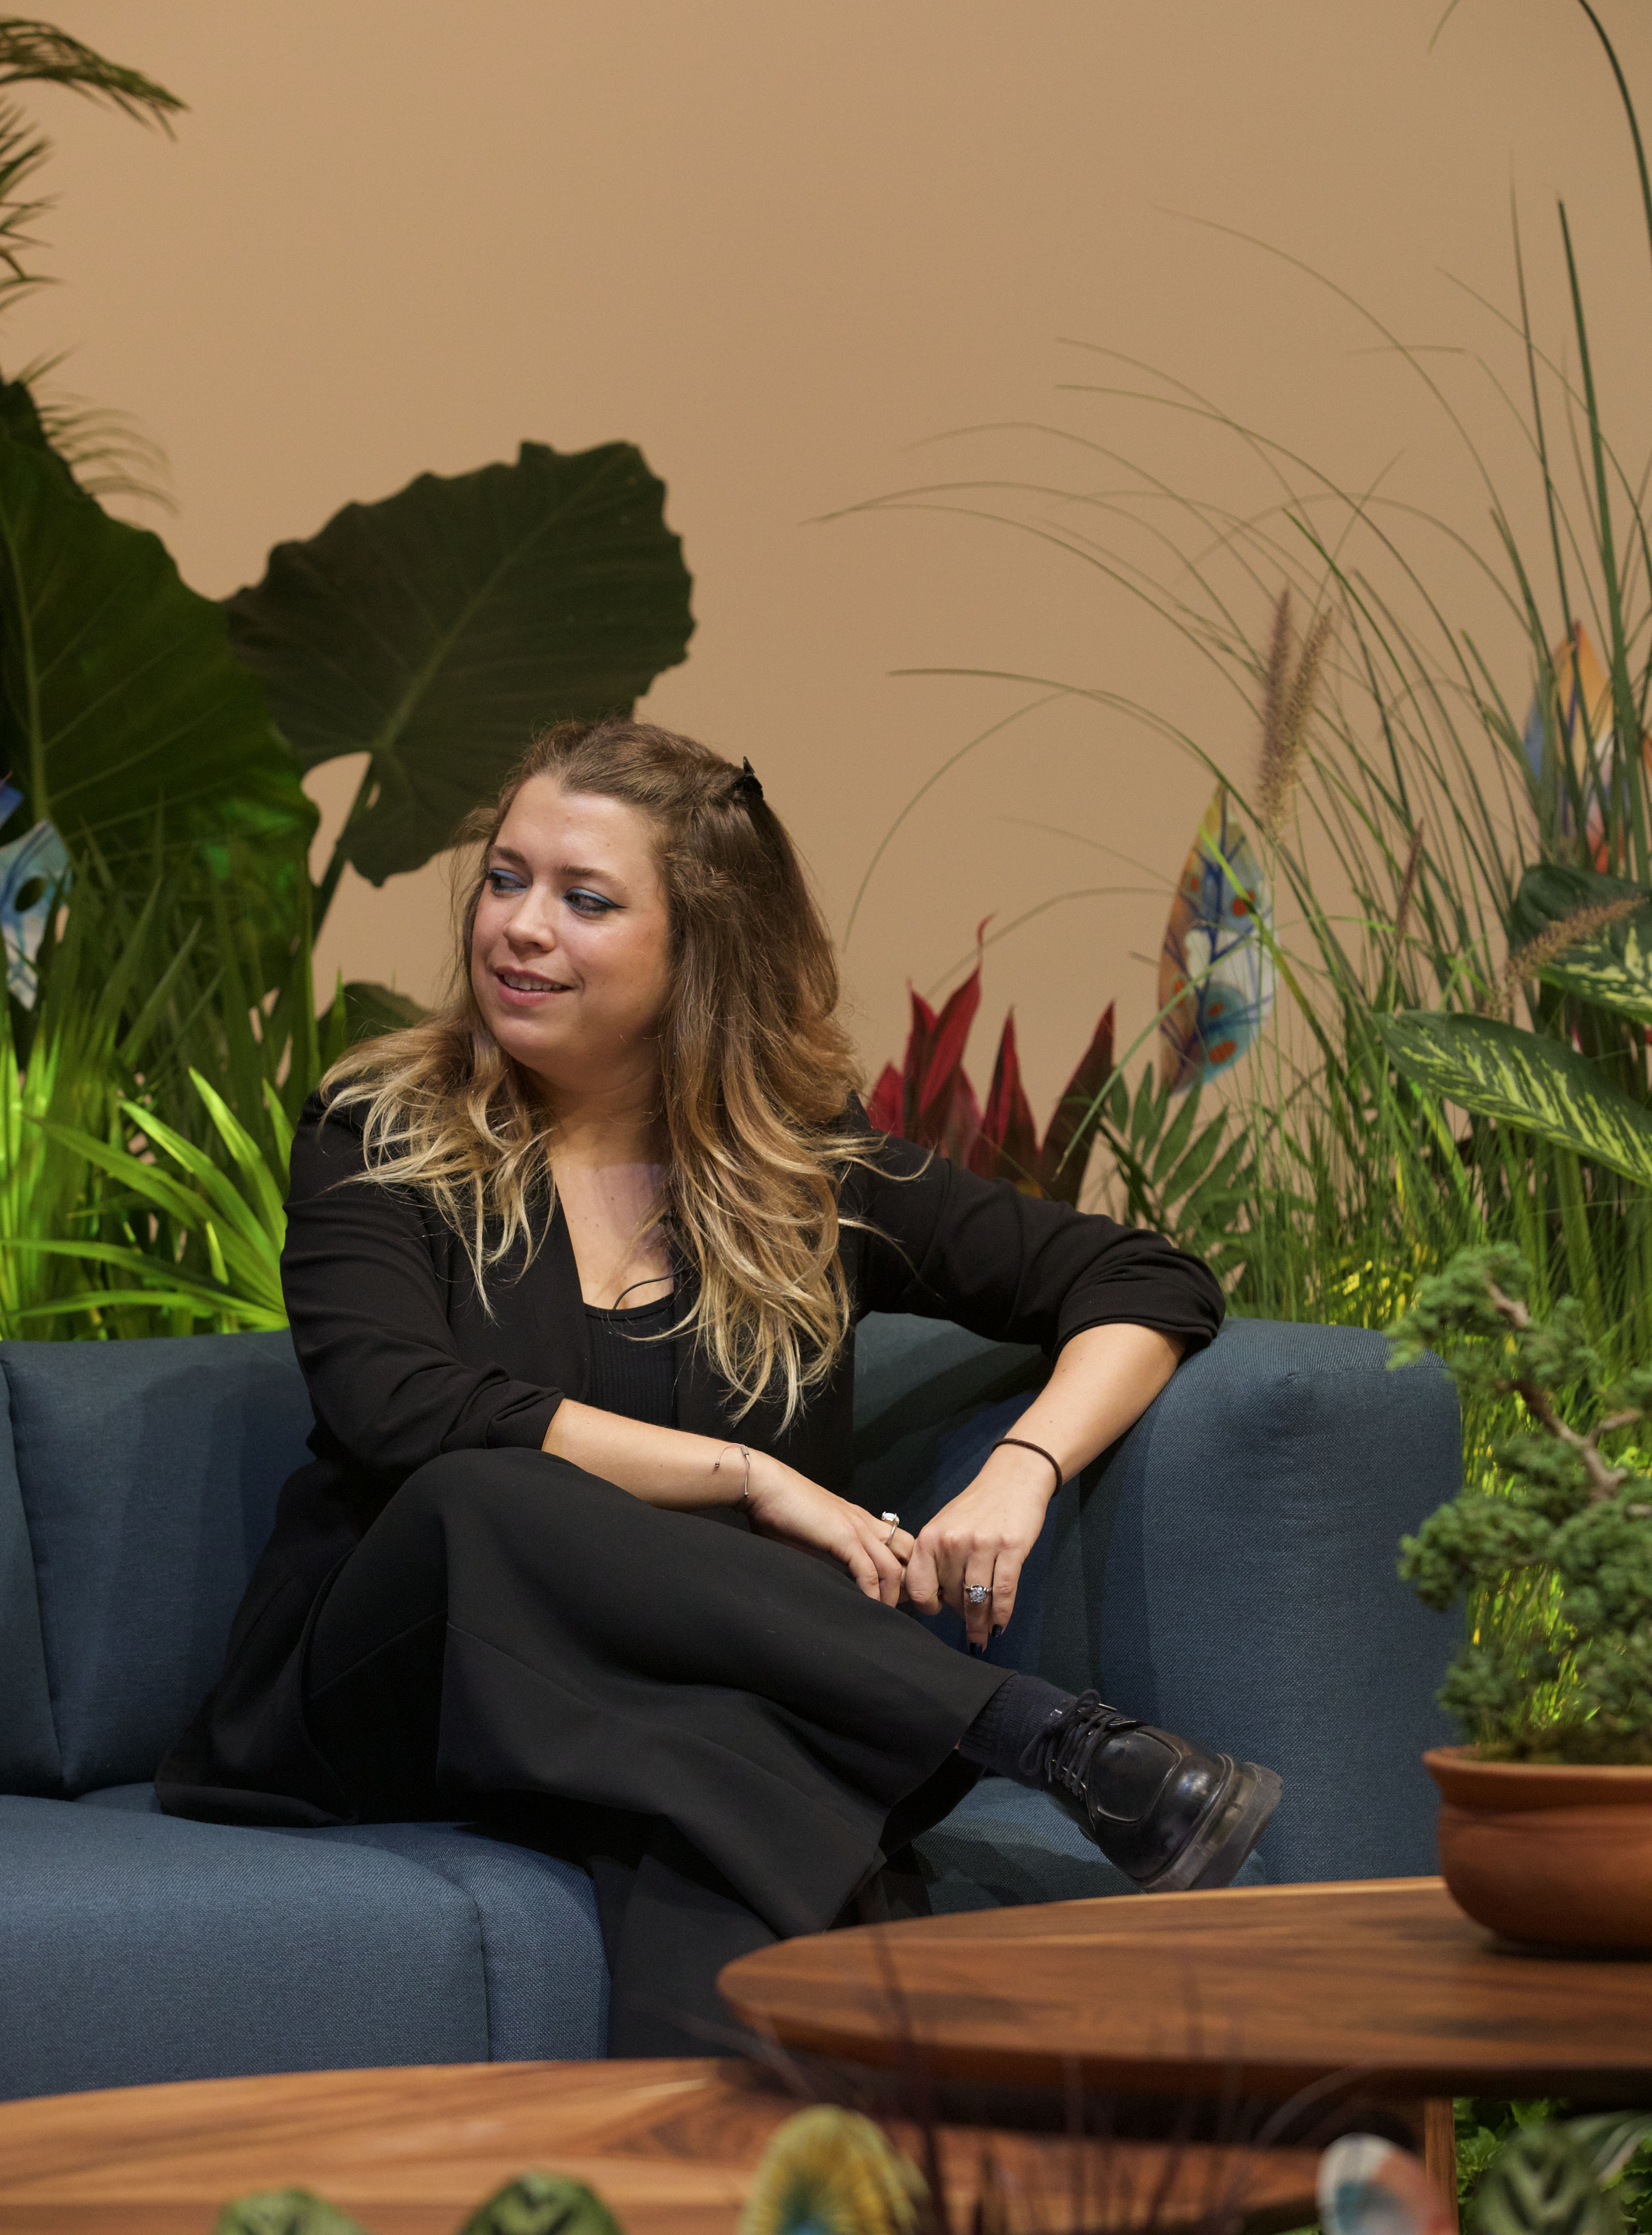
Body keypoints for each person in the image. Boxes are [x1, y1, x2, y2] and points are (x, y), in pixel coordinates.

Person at [159, 720, 1279, 2055]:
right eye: (506, 880)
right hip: (395, 1683)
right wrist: (750, 1478)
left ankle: (739, 2151)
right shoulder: (379, 1133)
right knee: (483, 1495)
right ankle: (1040, 1738)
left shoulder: (804, 1175)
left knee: (712, 1796)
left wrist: (1021, 1468)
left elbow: (1144, 1281)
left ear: (700, 945)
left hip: (664, 1705)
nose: (520, 927)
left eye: (584, 899)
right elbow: (396, 1404)